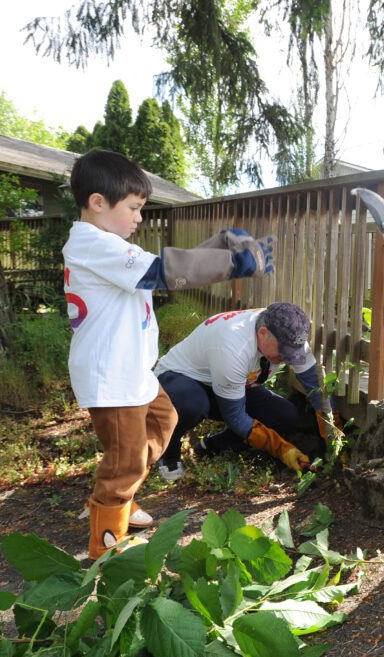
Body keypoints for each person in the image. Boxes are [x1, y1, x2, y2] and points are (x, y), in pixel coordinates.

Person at [64, 149, 275, 559]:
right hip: (113, 377)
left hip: (133, 373)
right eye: (134, 208)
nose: (139, 218)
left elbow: (166, 266)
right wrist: (232, 263)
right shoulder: (94, 244)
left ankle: (119, 497)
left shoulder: (104, 245)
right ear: (97, 202)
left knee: (165, 419)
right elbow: (164, 271)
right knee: (125, 457)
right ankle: (107, 542)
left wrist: (217, 245)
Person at [153, 303, 337, 480]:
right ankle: (168, 454)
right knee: (189, 406)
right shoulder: (233, 346)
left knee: (285, 416)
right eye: (283, 353)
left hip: (235, 384)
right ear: (262, 333)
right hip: (185, 379)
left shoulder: (290, 336)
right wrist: (282, 449)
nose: (286, 359)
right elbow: (235, 416)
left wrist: (334, 436)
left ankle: (211, 447)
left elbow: (316, 388)